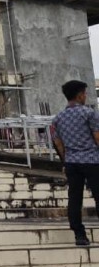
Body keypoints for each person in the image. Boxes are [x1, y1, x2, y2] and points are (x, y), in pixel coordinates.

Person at [50, 80, 99, 246]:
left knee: (75, 197)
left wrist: (66, 160)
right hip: (92, 160)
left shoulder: (58, 118)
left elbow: (57, 142)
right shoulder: (89, 113)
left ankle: (79, 234)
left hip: (71, 162)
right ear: (79, 95)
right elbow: (97, 137)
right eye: (85, 93)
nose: (85, 96)